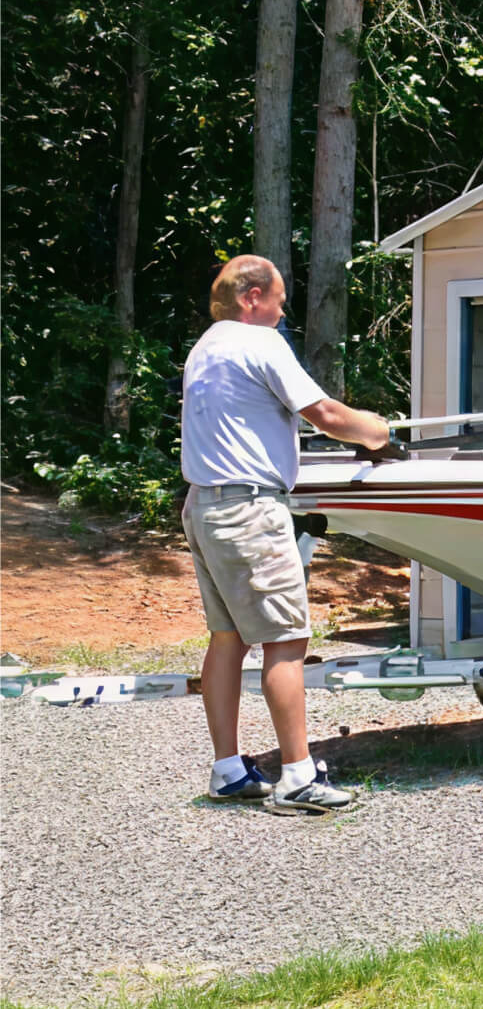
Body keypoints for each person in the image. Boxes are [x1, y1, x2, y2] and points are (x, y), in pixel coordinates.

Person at [181, 255, 391, 815]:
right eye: (276, 300)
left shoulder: (206, 347)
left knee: (228, 638)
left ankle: (228, 771)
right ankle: (297, 778)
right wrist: (377, 430)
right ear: (252, 297)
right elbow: (325, 412)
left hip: (204, 506)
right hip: (251, 510)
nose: (280, 312)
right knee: (286, 640)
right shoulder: (261, 342)